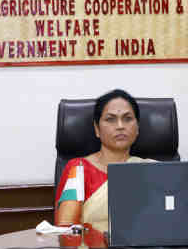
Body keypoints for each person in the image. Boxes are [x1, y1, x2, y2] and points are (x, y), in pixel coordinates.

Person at [55, 89, 156, 231]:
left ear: (137, 128)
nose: (120, 126)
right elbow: (65, 228)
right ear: (97, 129)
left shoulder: (153, 170)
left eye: (127, 119)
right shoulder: (78, 170)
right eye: (111, 119)